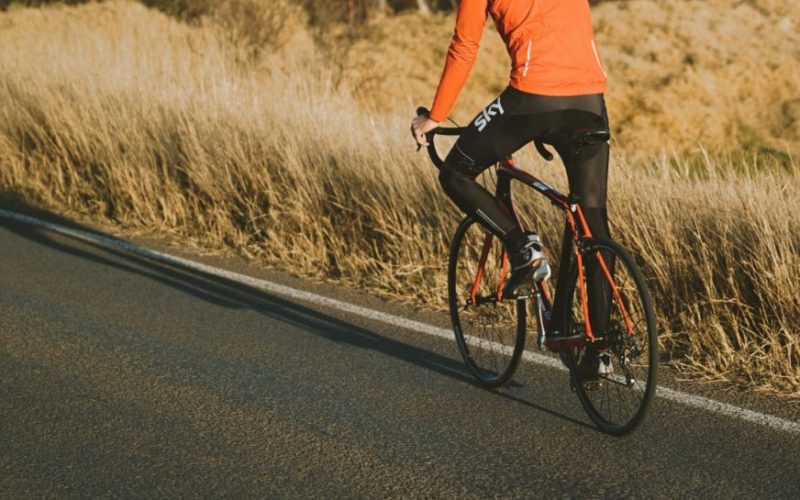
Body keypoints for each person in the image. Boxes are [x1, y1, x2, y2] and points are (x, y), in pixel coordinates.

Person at [411, 0, 612, 377]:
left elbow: (464, 46)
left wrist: (434, 117)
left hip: (532, 97)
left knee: (455, 174)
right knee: (592, 220)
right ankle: (600, 347)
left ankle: (523, 248)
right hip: (590, 98)